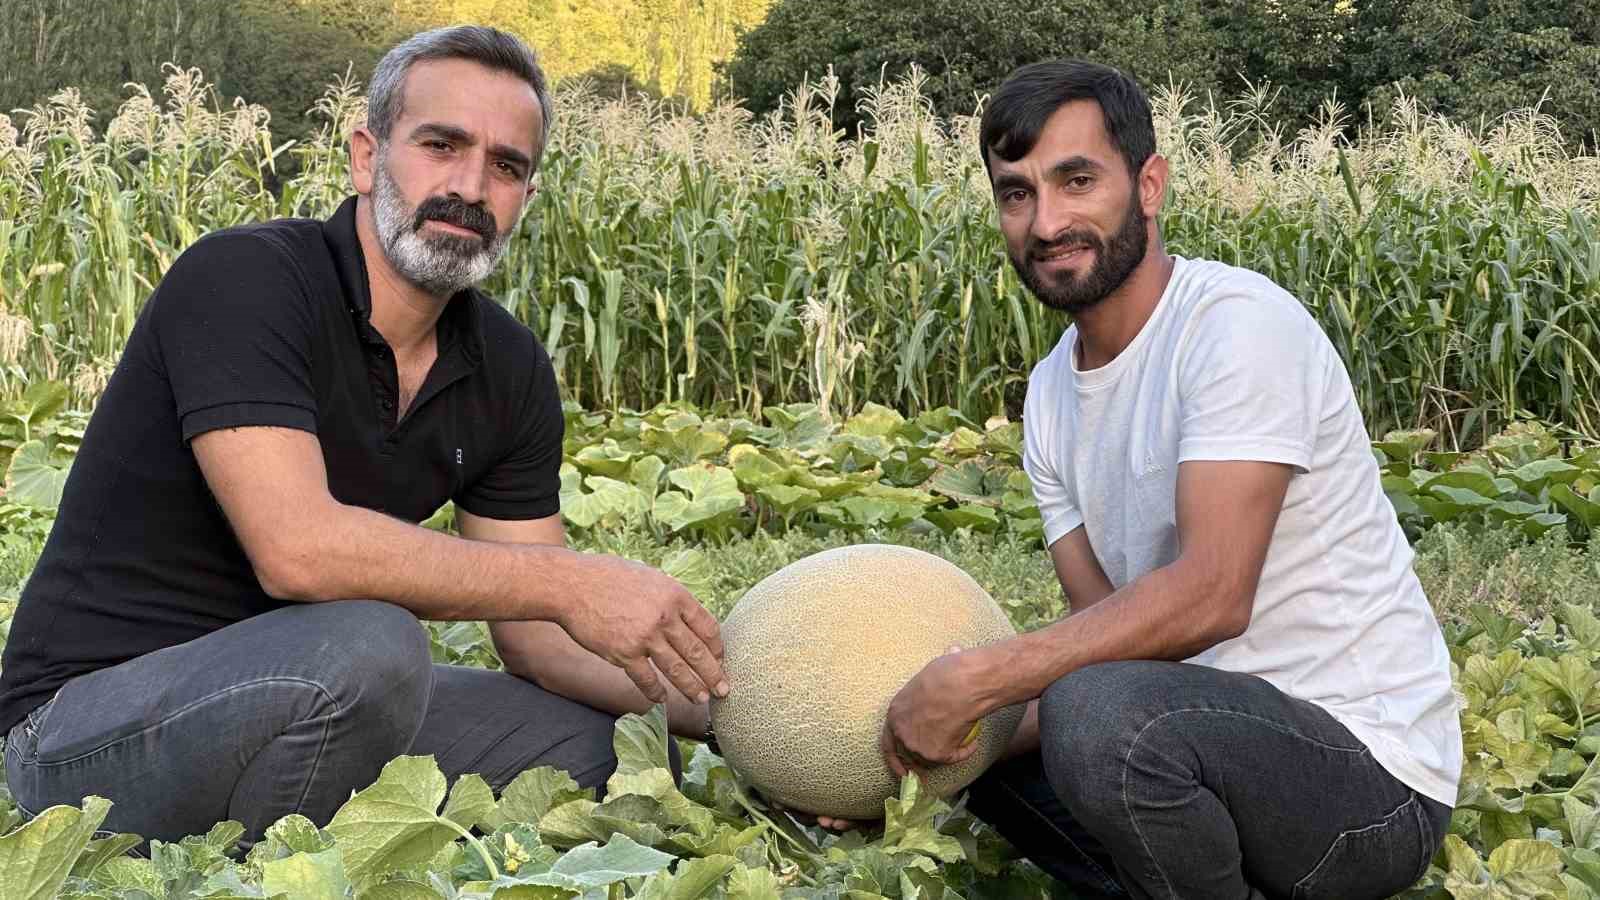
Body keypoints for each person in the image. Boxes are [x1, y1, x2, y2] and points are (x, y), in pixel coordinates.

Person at [0, 25, 726, 849]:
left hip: (309, 693)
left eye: (506, 166)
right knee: (374, 646)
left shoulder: (509, 367)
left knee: (608, 743)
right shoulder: (247, 279)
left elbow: (538, 642)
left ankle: (309, 812)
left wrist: (742, 716)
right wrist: (570, 583)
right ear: (365, 155)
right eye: (440, 145)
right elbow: (298, 551)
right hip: (89, 730)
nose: (470, 186)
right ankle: (272, 860)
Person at [874, 60, 1462, 899]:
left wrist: (981, 676)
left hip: (1366, 788)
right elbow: (1104, 636)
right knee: (993, 748)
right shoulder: (1049, 396)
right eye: (1016, 193)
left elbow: (1215, 595)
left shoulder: (1234, 327)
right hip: (1201, 749)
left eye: (1077, 180)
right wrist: (911, 755)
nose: (1047, 222)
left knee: (1091, 715)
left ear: (1149, 185)